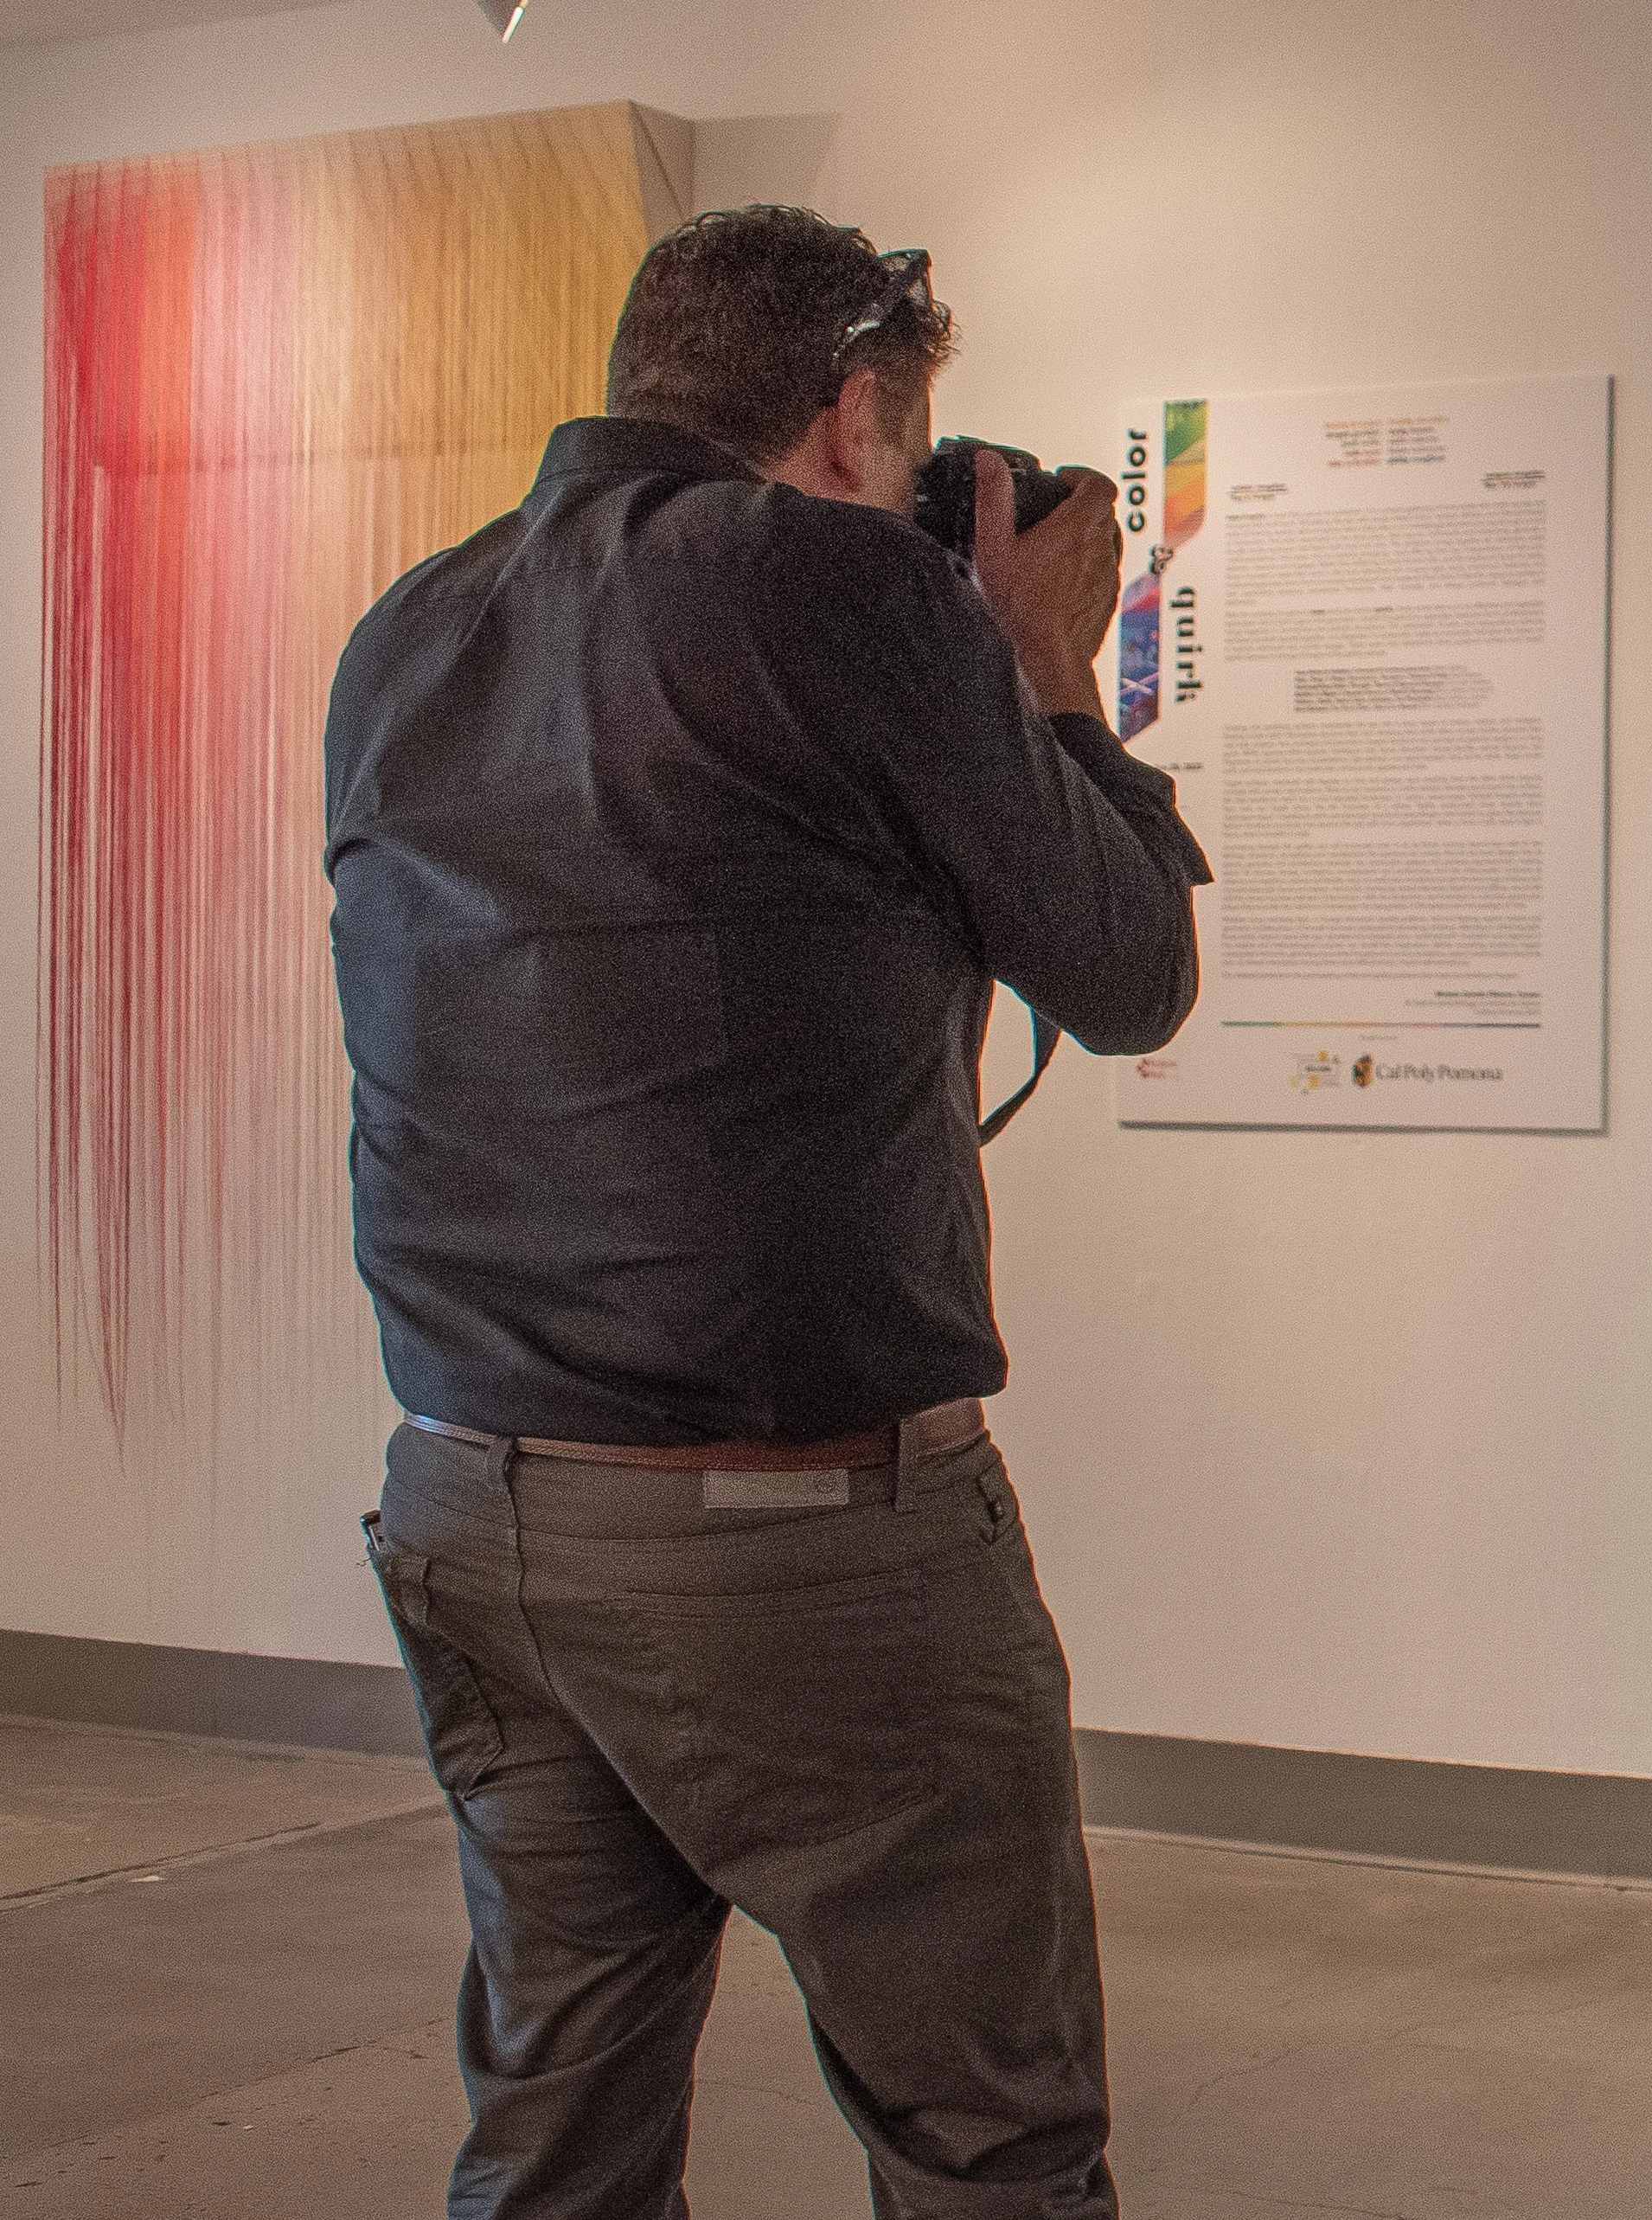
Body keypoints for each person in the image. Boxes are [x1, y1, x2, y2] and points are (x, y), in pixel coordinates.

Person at [326, 206, 1208, 2218]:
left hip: (472, 1504)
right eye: (907, 447)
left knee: (554, 2137)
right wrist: (1047, 664)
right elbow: (1127, 970)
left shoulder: (414, 623)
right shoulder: (833, 584)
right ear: (850, 413)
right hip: (791, 1533)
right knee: (986, 2137)